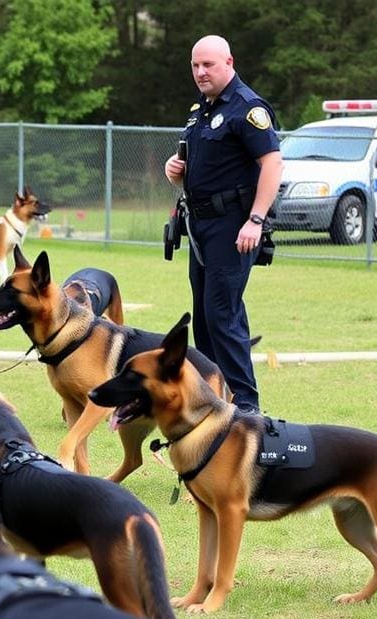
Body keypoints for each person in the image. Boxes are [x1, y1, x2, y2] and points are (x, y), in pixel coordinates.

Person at [164, 35, 282, 415]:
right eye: (195, 65)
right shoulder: (201, 110)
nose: (200, 72)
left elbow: (272, 164)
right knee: (206, 317)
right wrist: (175, 173)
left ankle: (247, 409)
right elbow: (203, 168)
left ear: (228, 62)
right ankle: (216, 401)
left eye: (208, 65)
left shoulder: (246, 108)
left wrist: (256, 220)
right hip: (201, 227)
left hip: (235, 226)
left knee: (221, 315)